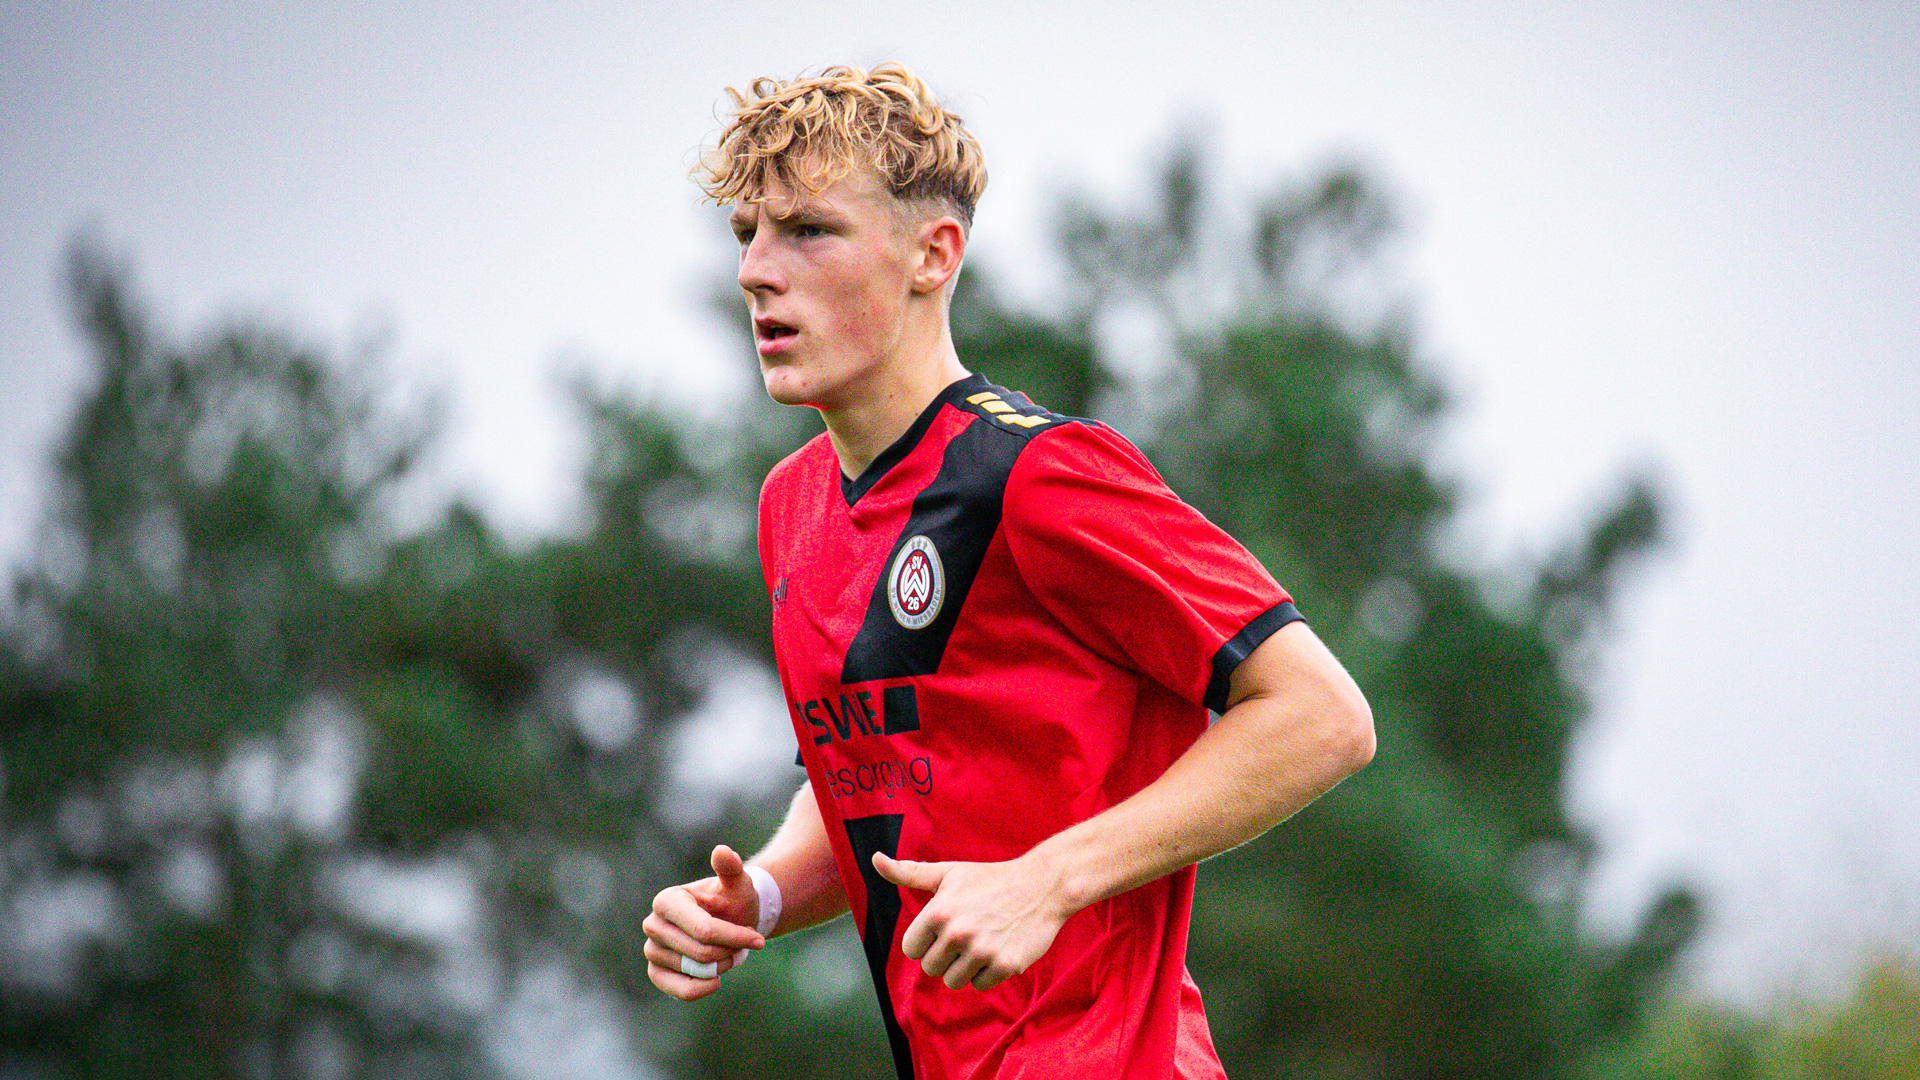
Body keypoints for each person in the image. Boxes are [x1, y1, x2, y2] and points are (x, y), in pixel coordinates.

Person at [644, 63, 1375, 1079]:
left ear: (932, 254)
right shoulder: (791, 507)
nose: (757, 271)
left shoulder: (1040, 476)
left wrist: (1047, 880)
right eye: (746, 234)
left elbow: (1322, 717)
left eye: (808, 231)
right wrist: (760, 896)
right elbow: (879, 774)